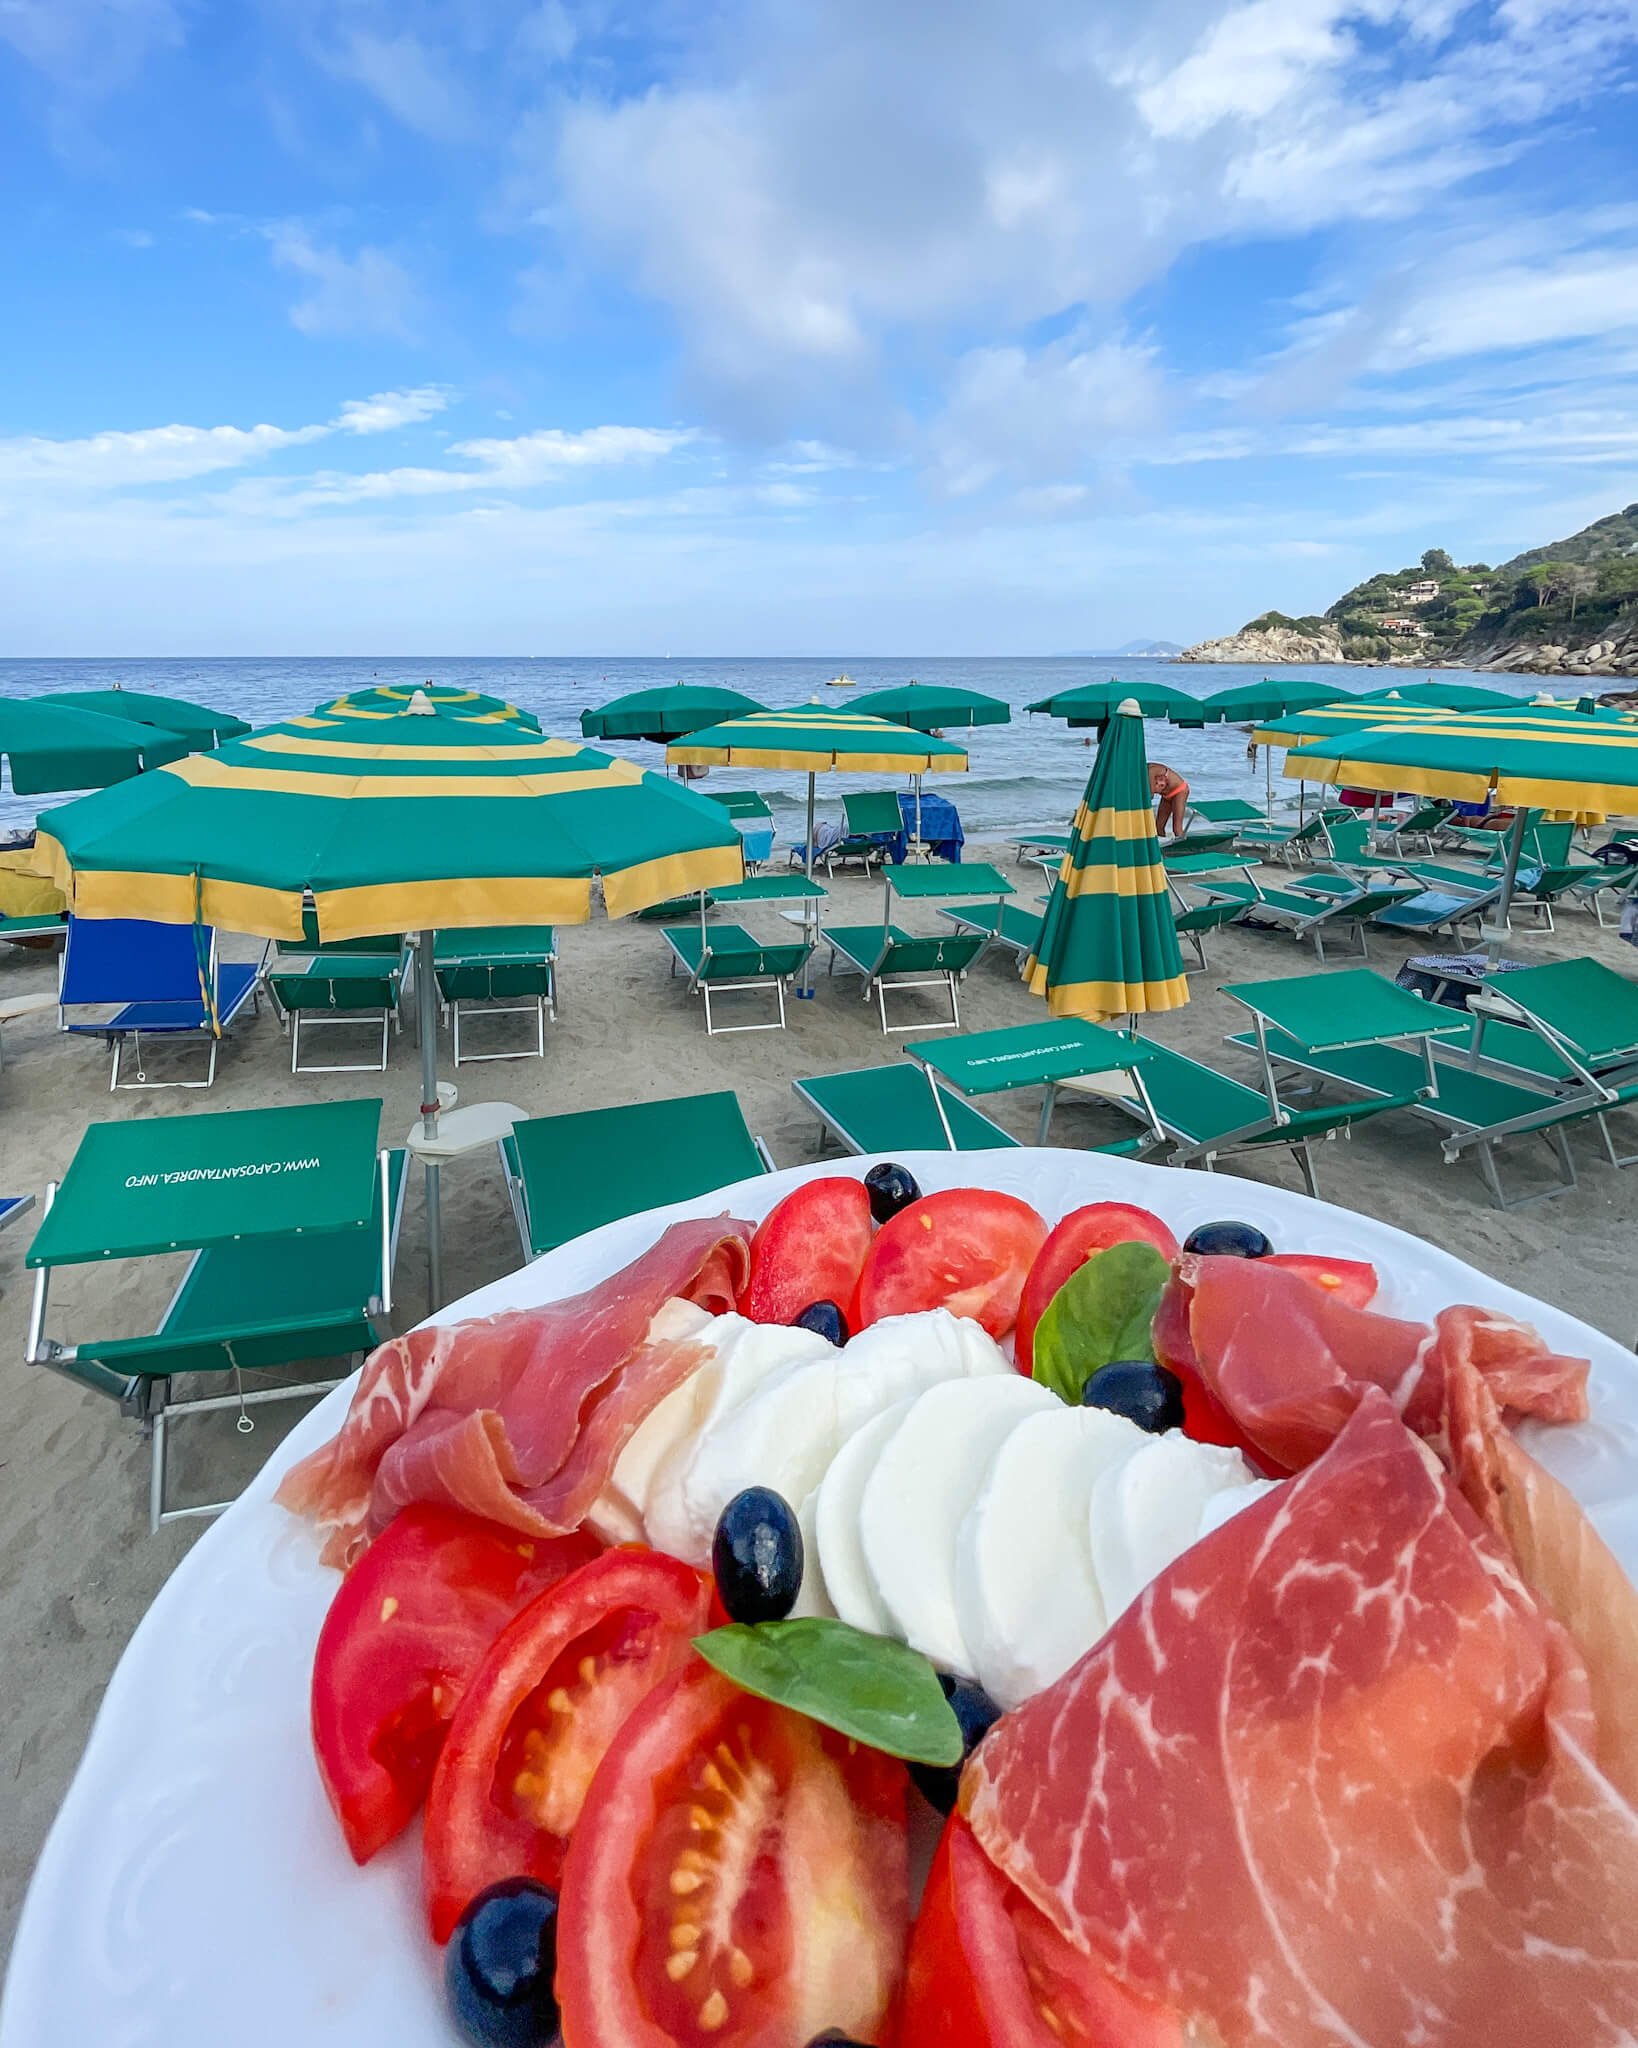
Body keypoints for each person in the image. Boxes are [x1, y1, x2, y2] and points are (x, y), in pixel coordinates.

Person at [1149, 760, 1189, 838]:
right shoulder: (1143, 773)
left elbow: (1150, 795)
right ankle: (1160, 846)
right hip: (1166, 795)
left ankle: (1182, 847)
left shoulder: (1151, 770)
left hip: (1179, 791)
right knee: (1159, 827)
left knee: (1177, 828)